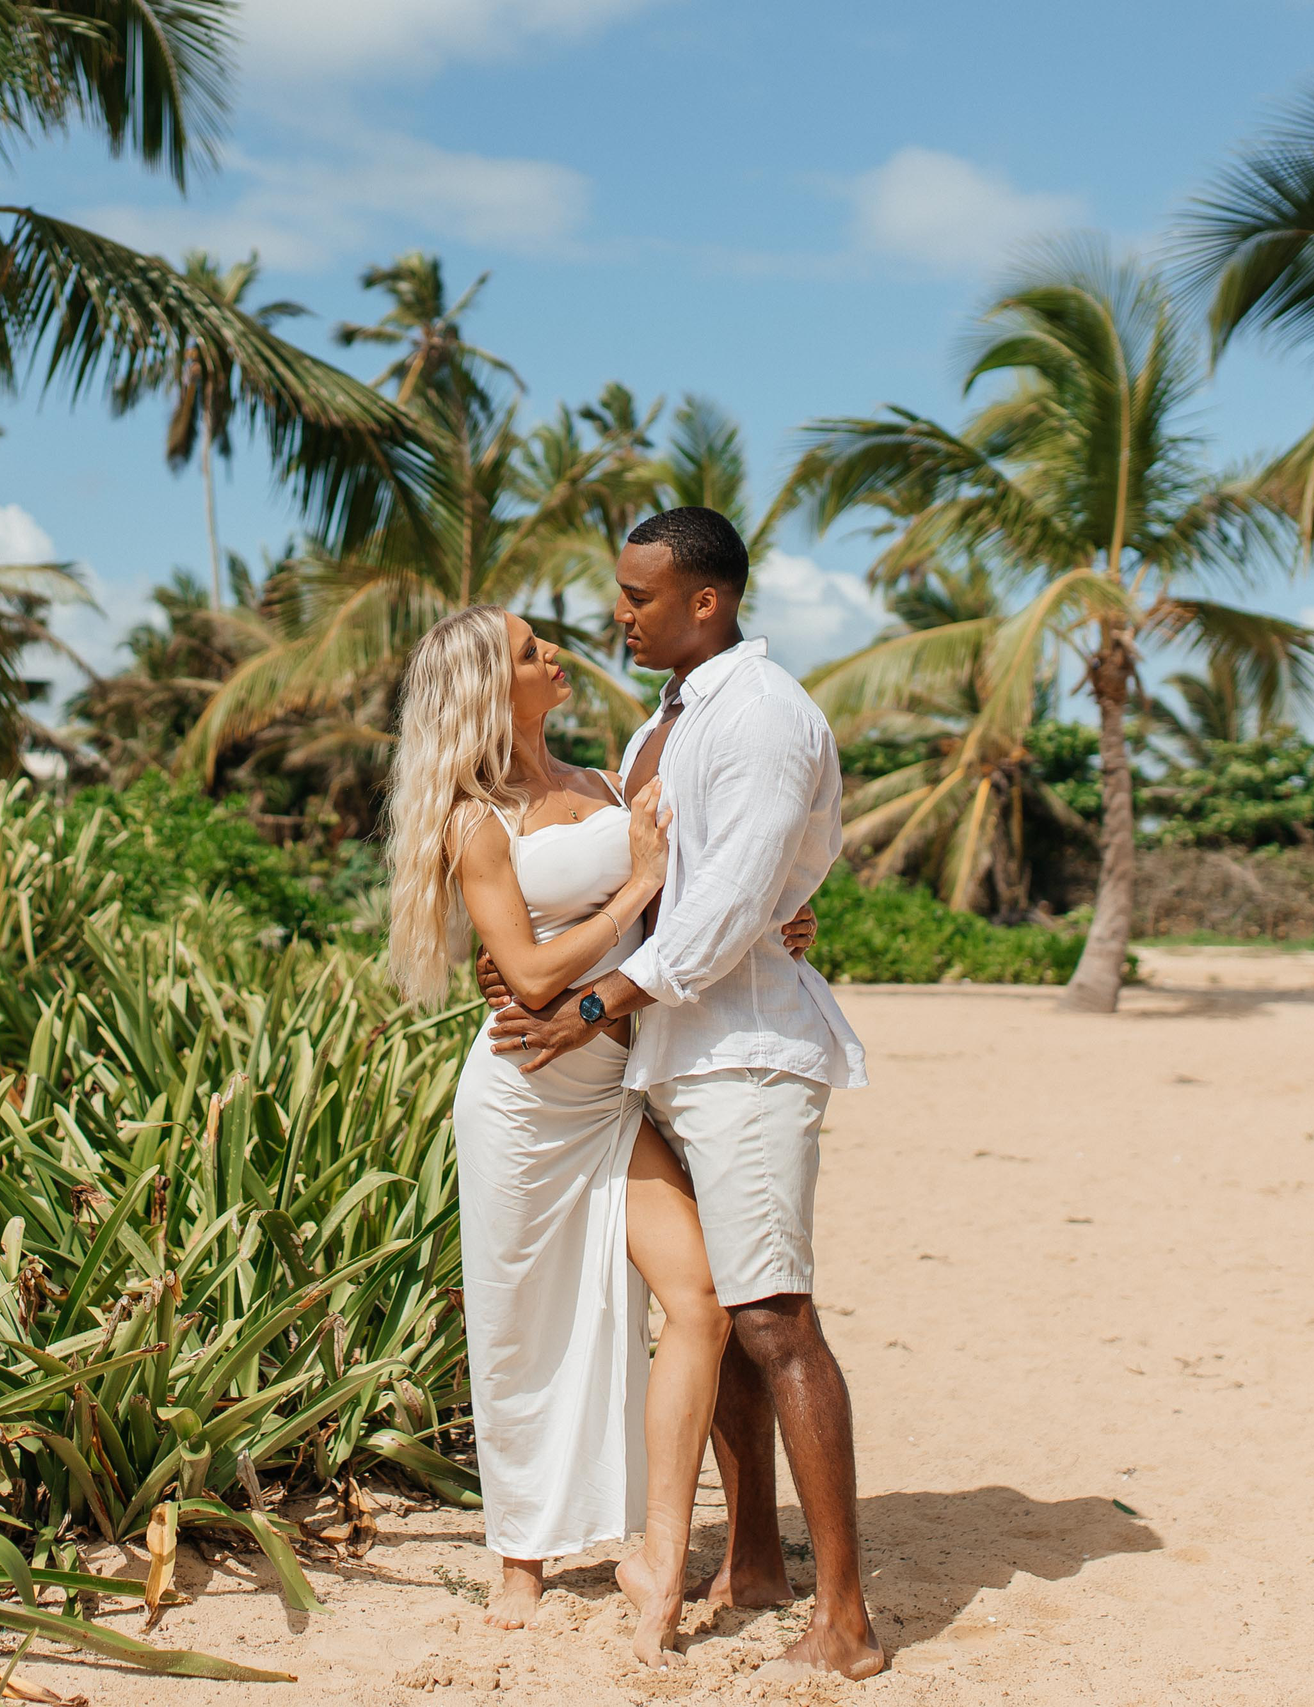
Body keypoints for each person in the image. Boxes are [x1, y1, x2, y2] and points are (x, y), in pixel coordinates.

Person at [485, 506, 885, 1681]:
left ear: (704, 601)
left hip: (743, 1054)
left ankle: (847, 1622)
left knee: (774, 1320)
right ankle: (753, 1560)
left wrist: (587, 1008)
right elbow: (679, 886)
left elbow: (720, 911)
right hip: (671, 1056)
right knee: (713, 1312)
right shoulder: (661, 721)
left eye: (639, 596)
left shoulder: (758, 714)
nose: (617, 614)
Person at [385, 604, 799, 1667]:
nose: (554, 653)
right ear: (488, 687)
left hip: (613, 1092)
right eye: (530, 651)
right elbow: (526, 975)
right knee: (521, 1326)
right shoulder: (473, 819)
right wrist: (639, 887)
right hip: (524, 1099)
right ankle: (520, 1555)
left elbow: (711, 885)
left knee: (699, 1302)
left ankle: (658, 1551)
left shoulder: (611, 781)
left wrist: (775, 919)